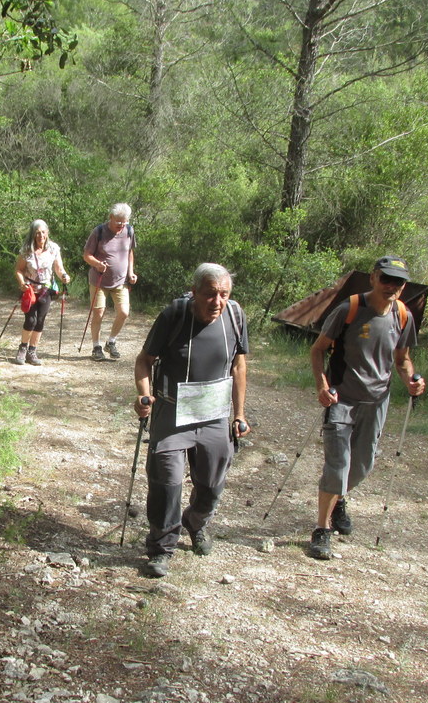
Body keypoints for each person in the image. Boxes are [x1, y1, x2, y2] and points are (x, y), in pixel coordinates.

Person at [133, 263, 249, 578]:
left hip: (214, 414)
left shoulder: (235, 316)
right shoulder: (174, 315)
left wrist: (238, 414)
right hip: (172, 412)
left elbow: (239, 366)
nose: (218, 302)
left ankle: (196, 522)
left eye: (224, 294)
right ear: (194, 291)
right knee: (166, 483)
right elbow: (144, 360)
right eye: (210, 294)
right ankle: (161, 547)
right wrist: (144, 396)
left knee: (211, 485)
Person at [307, 255, 426, 560]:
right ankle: (322, 529)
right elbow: (318, 349)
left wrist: (411, 380)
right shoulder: (350, 308)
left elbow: (402, 360)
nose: (391, 286)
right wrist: (322, 385)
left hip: (377, 402)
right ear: (373, 277)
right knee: (338, 464)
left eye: (398, 282)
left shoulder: (403, 315)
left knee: (362, 465)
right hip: (341, 399)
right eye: (386, 279)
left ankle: (339, 499)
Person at [83, 203, 137, 361]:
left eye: (124, 222)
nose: (121, 226)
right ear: (111, 218)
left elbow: (130, 252)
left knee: (124, 312)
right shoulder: (99, 231)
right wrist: (97, 264)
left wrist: (131, 272)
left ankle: (111, 341)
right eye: (118, 222)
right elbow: (86, 255)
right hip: (99, 281)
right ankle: (96, 346)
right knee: (99, 312)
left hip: (121, 281)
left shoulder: (129, 231)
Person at [14, 220, 70, 366]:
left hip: (46, 289)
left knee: (40, 320)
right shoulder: (26, 250)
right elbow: (19, 270)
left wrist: (64, 275)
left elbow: (58, 268)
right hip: (30, 290)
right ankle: (23, 348)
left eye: (43, 232)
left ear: (47, 233)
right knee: (30, 320)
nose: (41, 235)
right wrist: (22, 283)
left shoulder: (53, 249)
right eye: (37, 233)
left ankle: (32, 351)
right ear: (33, 234)